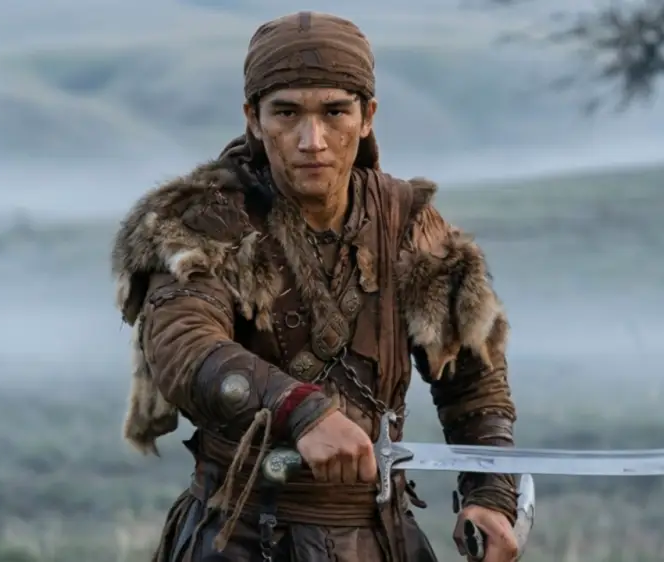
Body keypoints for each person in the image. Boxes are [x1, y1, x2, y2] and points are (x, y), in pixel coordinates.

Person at [111, 11, 520, 562]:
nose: (312, 140)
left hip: (380, 537)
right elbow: (184, 345)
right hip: (242, 536)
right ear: (254, 119)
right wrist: (297, 409)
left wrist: (490, 494)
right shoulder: (205, 221)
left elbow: (472, 373)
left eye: (334, 112)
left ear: (367, 116)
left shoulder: (407, 222)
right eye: (286, 113)